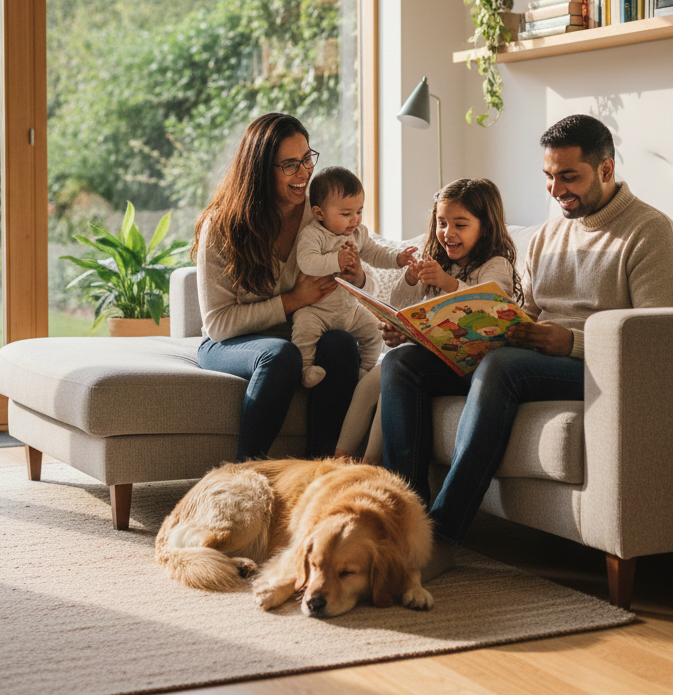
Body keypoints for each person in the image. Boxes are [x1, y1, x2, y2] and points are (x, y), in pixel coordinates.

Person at [381, 114, 673, 579]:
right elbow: (524, 311)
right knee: (404, 364)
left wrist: (571, 342)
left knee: (504, 367)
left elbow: (657, 343)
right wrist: (455, 327)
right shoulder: (548, 235)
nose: (555, 189)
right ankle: (404, 524)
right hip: (527, 353)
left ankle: (443, 537)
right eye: (548, 176)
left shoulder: (650, 233)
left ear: (606, 170)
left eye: (569, 177)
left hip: (593, 367)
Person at [193, 112, 370, 462]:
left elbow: (363, 254)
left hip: (303, 331)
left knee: (341, 344)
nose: (304, 173)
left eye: (307, 159)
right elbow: (218, 324)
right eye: (290, 165)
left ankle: (321, 472)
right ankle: (244, 473)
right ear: (260, 169)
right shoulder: (223, 226)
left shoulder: (318, 213)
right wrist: (293, 300)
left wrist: (357, 276)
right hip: (230, 343)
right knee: (280, 354)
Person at [334, 177, 522, 461]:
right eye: (442, 222)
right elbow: (397, 305)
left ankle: (370, 464)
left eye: (460, 224)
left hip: (473, 363)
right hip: (427, 355)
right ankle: (339, 457)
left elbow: (490, 305)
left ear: (485, 228)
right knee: (372, 380)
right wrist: (409, 283)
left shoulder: (495, 265)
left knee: (393, 380)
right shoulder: (436, 262)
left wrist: (448, 284)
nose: (448, 232)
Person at [293, 165, 417, 388]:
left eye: (359, 211)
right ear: (319, 213)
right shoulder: (313, 234)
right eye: (346, 214)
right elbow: (307, 262)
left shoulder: (359, 234)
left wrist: (398, 258)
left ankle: (365, 370)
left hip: (349, 310)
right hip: (317, 310)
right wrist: (336, 261)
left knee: (373, 330)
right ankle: (305, 370)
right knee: (303, 330)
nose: (355, 220)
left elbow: (376, 253)